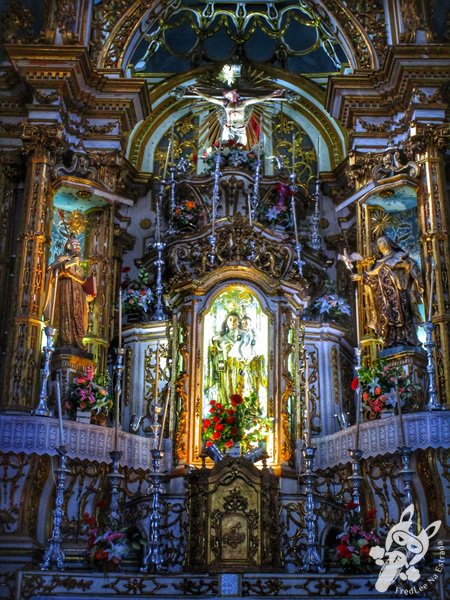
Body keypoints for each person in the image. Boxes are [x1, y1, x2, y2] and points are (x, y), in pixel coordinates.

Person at [363, 236, 424, 348]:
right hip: (384, 298)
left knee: (403, 315)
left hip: (400, 293)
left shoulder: (399, 256)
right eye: (378, 242)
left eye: (382, 241)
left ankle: (406, 338)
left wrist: (404, 266)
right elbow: (372, 277)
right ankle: (391, 340)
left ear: (389, 243)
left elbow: (411, 265)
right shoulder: (377, 263)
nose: (380, 243)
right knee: (387, 317)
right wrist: (363, 278)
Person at [43, 236, 95, 351]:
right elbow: (52, 273)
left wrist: (87, 297)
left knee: (78, 318)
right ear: (68, 246)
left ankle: (77, 342)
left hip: (78, 294)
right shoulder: (62, 258)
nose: (77, 246)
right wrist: (68, 264)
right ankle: (64, 341)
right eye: (74, 244)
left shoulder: (82, 264)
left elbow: (83, 280)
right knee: (66, 315)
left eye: (78, 244)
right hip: (65, 289)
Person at [189, 86, 284, 146]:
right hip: (228, 127)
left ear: (234, 92)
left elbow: (258, 99)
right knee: (224, 145)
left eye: (228, 94)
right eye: (226, 95)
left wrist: (273, 94)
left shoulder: (243, 103)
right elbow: (210, 99)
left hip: (240, 129)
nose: (227, 96)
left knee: (242, 145)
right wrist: (197, 92)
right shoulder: (225, 104)